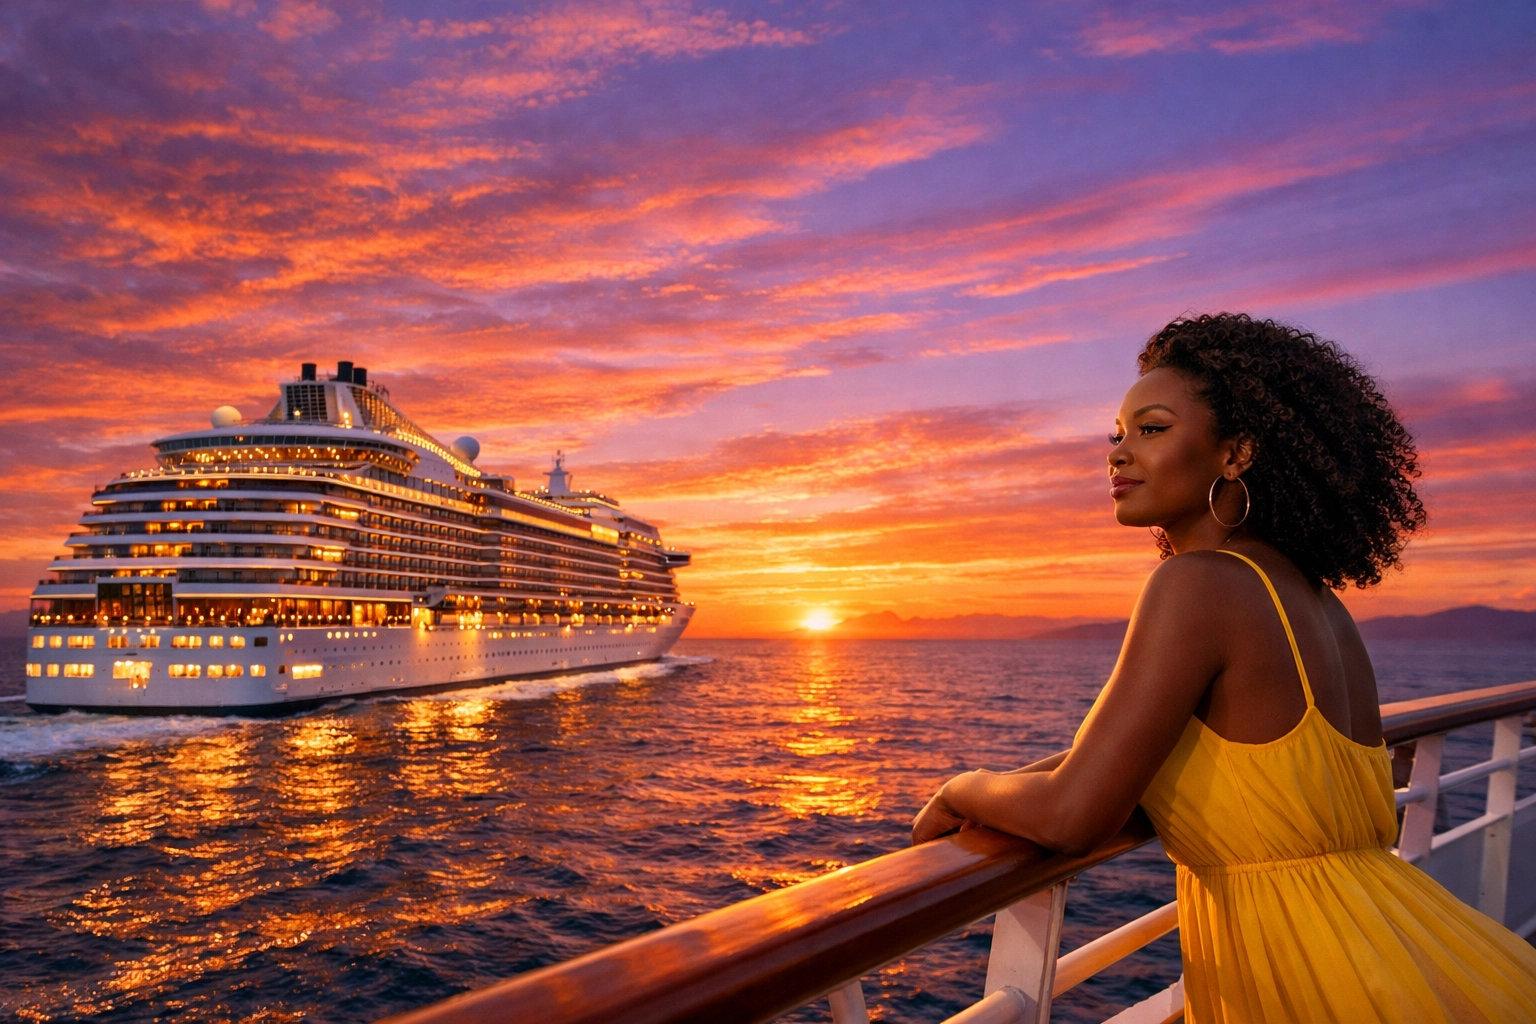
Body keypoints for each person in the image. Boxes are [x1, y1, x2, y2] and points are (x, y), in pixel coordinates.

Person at [911, 313, 1536, 1022]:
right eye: (1116, 434)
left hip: (1316, 981)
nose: (1118, 454)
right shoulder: (1312, 599)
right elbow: (1159, 754)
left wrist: (962, 788)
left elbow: (1073, 814)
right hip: (1390, 943)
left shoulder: (1198, 584)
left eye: (1151, 429)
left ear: (1236, 453)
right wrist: (1029, 778)